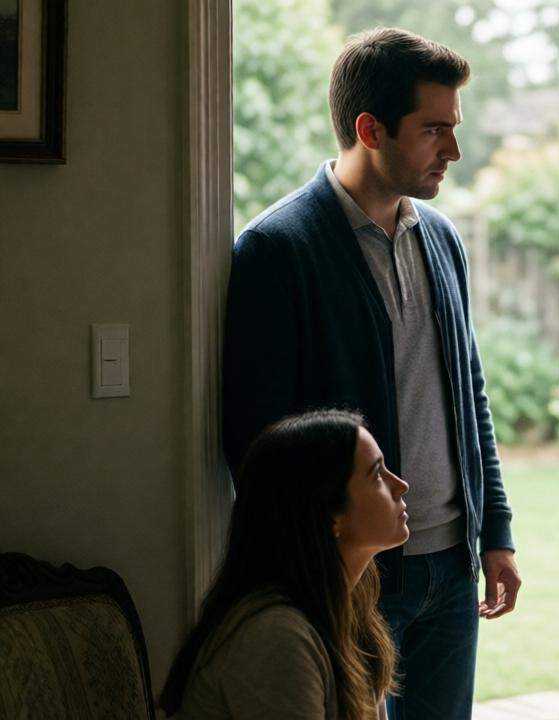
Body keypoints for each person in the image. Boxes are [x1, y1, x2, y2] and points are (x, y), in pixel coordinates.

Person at [221, 29, 520, 720]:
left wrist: (494, 532)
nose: (454, 150)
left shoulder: (441, 238)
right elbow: (258, 442)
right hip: (349, 581)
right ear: (370, 128)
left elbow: (468, 393)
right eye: (435, 130)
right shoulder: (276, 249)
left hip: (452, 571)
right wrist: (323, 569)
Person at [160, 409, 406, 719]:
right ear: (329, 513)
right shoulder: (276, 638)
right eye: (377, 474)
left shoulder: (349, 609)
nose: (400, 485)